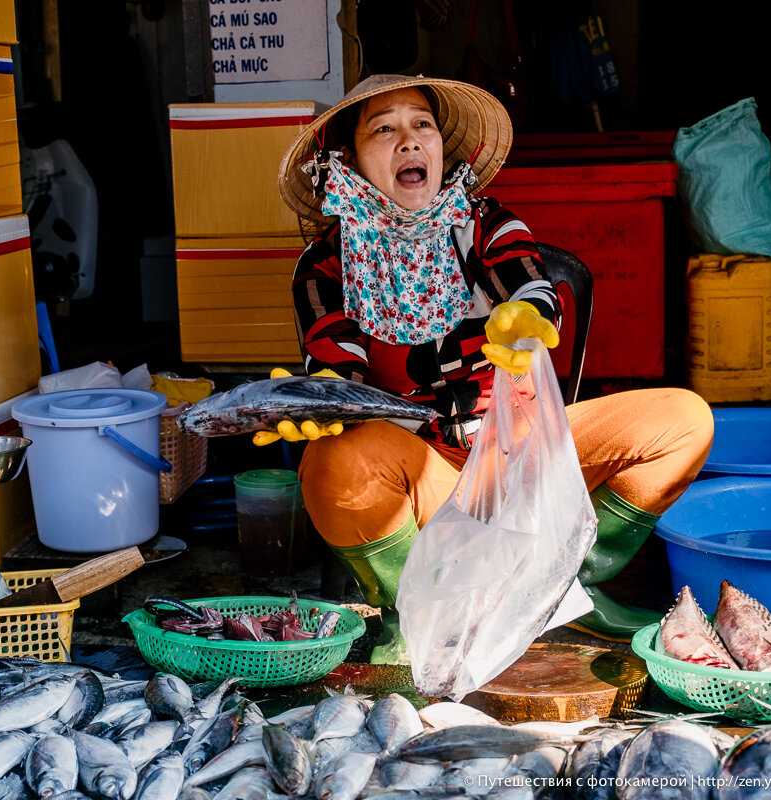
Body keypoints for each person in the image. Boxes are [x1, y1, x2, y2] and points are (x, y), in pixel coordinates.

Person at [268, 74, 713, 664]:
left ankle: (564, 588)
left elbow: (527, 280)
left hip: (523, 454)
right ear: (347, 158)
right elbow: (337, 359)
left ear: (440, 146)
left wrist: (526, 315)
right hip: (425, 478)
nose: (409, 140)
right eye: (384, 129)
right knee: (331, 461)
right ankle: (423, 613)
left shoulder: (482, 223)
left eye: (421, 124)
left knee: (684, 421)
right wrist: (322, 396)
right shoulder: (324, 265)